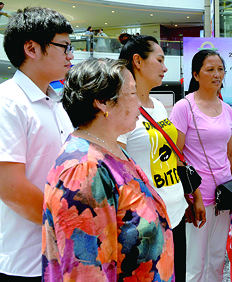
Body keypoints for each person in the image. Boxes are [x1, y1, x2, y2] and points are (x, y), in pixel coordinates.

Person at [42, 58, 174, 281]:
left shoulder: (108, 149)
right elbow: (84, 272)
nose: (139, 103)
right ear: (103, 102)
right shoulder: (84, 170)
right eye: (132, 94)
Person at [0, 6, 74, 281]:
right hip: (16, 264)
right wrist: (72, 222)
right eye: (64, 46)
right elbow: (13, 191)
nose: (71, 55)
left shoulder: (54, 104)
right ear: (31, 48)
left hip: (54, 255)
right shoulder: (4, 103)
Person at [117, 33, 200, 281]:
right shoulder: (121, 107)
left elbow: (173, 155)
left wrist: (192, 194)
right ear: (138, 61)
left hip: (174, 209)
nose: (165, 68)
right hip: (147, 221)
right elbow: (118, 168)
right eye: (160, 60)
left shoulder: (158, 104)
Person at [169, 49, 232, 282]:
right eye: (210, 70)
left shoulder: (227, 109)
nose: (217, 75)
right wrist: (190, 196)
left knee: (217, 257)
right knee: (195, 261)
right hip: (197, 197)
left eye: (220, 69)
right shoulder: (184, 107)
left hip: (225, 195)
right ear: (196, 75)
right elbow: (176, 156)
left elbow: (231, 153)